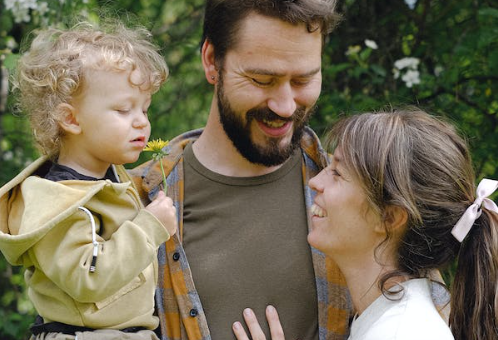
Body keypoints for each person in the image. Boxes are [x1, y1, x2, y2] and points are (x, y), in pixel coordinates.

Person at [130, 1, 448, 340]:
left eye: (302, 79)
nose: (284, 106)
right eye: (262, 79)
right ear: (212, 61)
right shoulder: (133, 201)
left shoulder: (371, 202)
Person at [232, 108, 498, 340]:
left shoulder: (402, 333)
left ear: (389, 218)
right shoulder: (389, 320)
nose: (316, 182)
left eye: (337, 172)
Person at [0, 21, 177, 340]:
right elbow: (87, 279)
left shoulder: (110, 176)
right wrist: (150, 226)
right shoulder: (56, 202)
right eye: (124, 110)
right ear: (70, 119)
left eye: (145, 109)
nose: (142, 122)